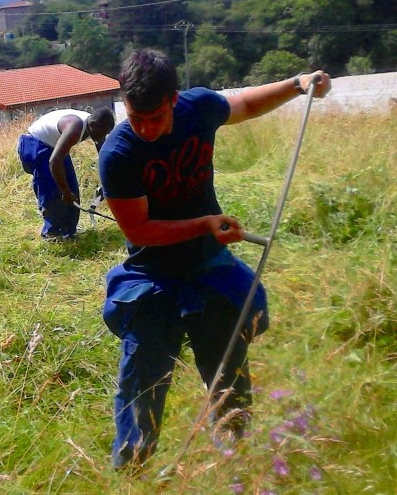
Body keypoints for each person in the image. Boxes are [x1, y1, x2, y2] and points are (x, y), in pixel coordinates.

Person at [98, 48, 331, 468]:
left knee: (229, 371)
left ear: (173, 99)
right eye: (136, 119)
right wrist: (204, 223)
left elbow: (244, 103)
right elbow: (140, 231)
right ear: (124, 104)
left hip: (209, 264)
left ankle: (236, 462)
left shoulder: (199, 107)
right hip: (152, 273)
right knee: (142, 380)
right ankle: (133, 468)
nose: (147, 130)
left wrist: (298, 85)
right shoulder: (117, 154)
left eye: (156, 118)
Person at [17, 107, 116, 239]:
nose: (103, 137)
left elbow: (104, 158)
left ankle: (68, 232)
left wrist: (107, 184)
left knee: (73, 190)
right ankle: (52, 234)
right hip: (36, 144)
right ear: (92, 125)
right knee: (53, 192)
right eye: (102, 133)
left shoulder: (96, 126)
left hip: (54, 147)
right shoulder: (75, 128)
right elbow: (54, 162)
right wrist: (65, 192)